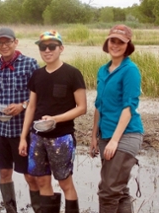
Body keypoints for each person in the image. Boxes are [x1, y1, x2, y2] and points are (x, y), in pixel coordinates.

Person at [19, 30, 87, 213]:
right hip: (37, 136)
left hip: (62, 137)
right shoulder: (37, 75)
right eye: (43, 47)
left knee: (65, 183)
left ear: (61, 48)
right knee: (42, 180)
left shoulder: (72, 73)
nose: (47, 50)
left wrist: (55, 119)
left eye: (52, 46)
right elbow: (31, 107)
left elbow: (82, 107)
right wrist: (23, 137)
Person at [0, 27, 42, 213]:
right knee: (4, 172)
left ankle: (39, 209)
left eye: (8, 42)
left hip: (23, 130)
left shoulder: (30, 64)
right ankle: (11, 210)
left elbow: (40, 94)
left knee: (30, 176)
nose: (4, 45)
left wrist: (22, 106)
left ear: (15, 42)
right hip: (1, 129)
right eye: (0, 42)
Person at [89, 24, 143, 213]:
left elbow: (129, 107)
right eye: (113, 40)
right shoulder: (103, 70)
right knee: (120, 190)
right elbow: (99, 106)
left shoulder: (130, 70)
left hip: (126, 135)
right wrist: (94, 136)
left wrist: (114, 140)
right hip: (105, 135)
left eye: (121, 42)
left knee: (108, 191)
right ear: (107, 42)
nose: (116, 45)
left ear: (127, 45)